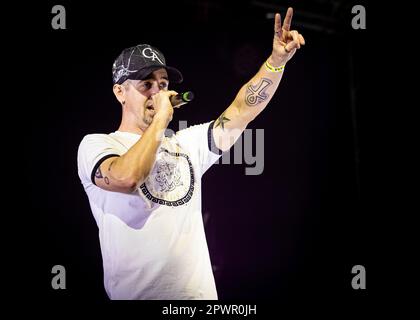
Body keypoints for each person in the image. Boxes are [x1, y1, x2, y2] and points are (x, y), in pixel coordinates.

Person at [77, 7, 305, 300]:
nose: (157, 93)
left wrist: (276, 62)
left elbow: (241, 110)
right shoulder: (98, 145)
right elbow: (128, 177)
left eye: (163, 84)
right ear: (120, 92)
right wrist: (161, 118)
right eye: (146, 85)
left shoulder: (185, 144)